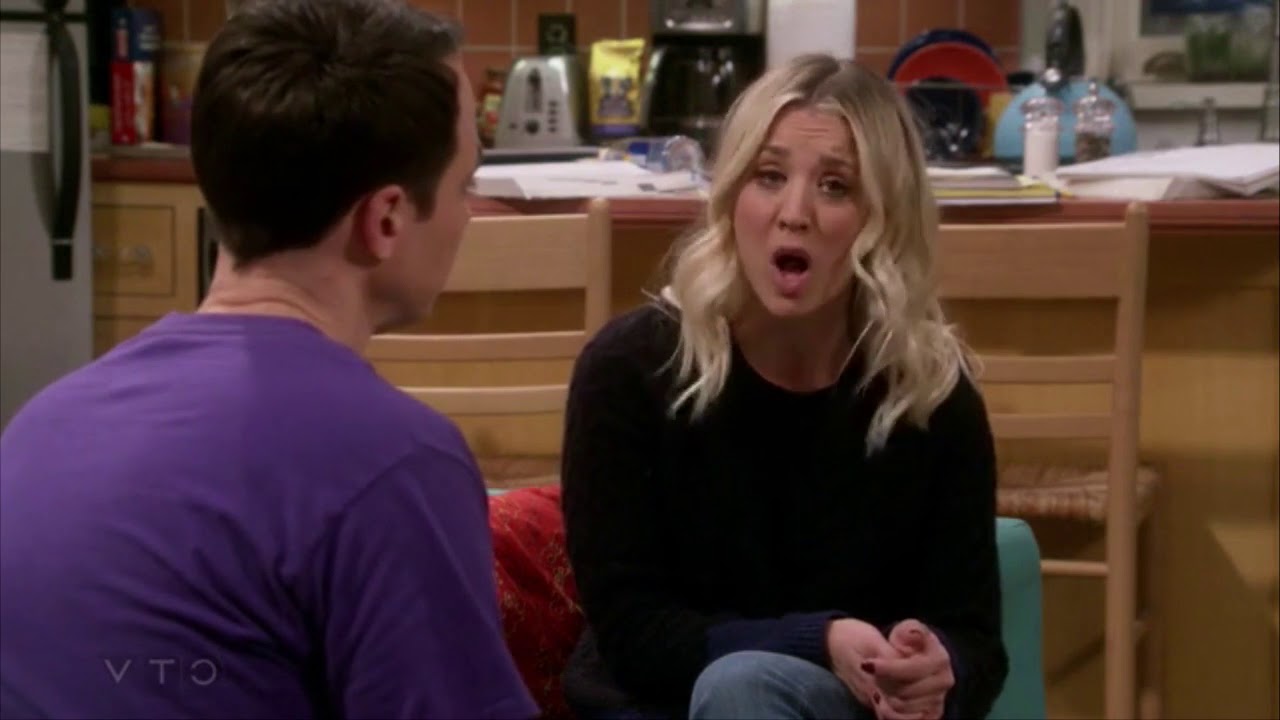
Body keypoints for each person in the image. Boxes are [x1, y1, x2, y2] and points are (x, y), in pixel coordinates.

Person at [0, 1, 537, 718]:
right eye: (464, 184)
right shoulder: (394, 464)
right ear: (385, 219)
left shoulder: (42, 423)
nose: (467, 213)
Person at [560, 54, 1008, 720]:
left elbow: (976, 640)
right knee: (742, 687)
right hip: (657, 702)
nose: (793, 213)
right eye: (769, 177)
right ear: (731, 196)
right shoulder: (631, 371)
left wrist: (941, 670)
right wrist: (817, 640)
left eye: (835, 186)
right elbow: (633, 634)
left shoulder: (929, 393)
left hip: (848, 708)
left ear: (883, 219)